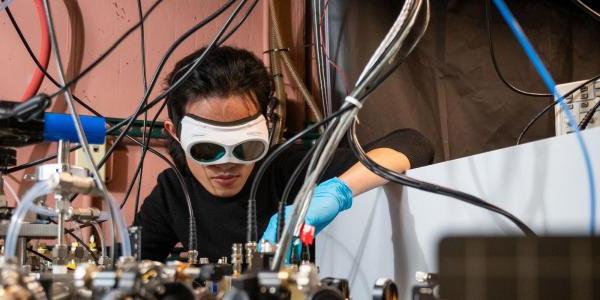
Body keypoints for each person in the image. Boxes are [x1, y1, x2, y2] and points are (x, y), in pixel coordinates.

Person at [134, 46, 434, 262]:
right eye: (208, 149)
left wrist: (337, 191)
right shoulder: (173, 193)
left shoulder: (289, 168)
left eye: (244, 147)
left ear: (265, 129)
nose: (226, 164)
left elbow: (414, 144)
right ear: (175, 133)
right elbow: (128, 268)